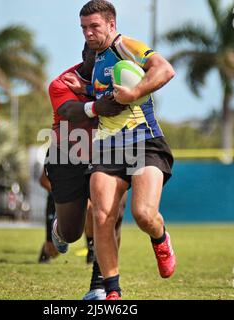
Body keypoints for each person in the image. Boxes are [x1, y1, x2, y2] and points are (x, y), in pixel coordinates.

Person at [64, 0, 177, 300]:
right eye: (84, 28)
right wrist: (85, 90)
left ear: (111, 25)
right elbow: (109, 91)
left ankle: (160, 237)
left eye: (94, 26)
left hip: (145, 142)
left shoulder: (125, 45)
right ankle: (111, 291)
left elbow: (165, 70)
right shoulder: (98, 58)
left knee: (143, 214)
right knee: (102, 216)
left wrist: (136, 92)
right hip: (108, 148)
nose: (88, 33)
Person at [46, 43, 127, 300]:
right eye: (97, 56)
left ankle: (99, 286)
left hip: (109, 153)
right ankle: (59, 227)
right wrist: (96, 106)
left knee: (111, 216)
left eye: (109, 56)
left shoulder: (119, 77)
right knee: (72, 233)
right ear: (84, 55)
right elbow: (68, 112)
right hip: (68, 154)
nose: (105, 62)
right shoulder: (62, 81)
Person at [37, 169, 59, 263]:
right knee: (54, 251)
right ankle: (46, 250)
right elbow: (43, 181)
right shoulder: (56, 156)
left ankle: (91, 251)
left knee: (90, 208)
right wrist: (62, 193)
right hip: (55, 201)